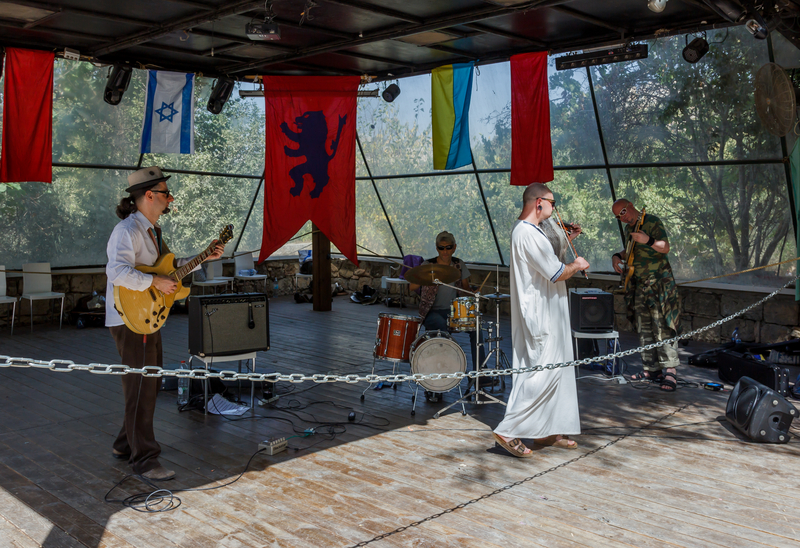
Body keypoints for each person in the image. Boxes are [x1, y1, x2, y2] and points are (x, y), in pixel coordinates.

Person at [105, 166, 225, 480]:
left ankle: (124, 443)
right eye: (164, 193)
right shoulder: (127, 231)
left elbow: (171, 270)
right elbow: (116, 273)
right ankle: (144, 460)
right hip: (129, 318)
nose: (170, 198)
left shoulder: (154, 231)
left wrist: (204, 257)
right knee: (141, 385)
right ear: (148, 196)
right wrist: (153, 282)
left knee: (150, 382)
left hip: (147, 317)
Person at [492, 183, 588, 458]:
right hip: (541, 315)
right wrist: (578, 265)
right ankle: (508, 429)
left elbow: (548, 260)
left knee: (558, 372)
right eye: (552, 202)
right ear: (538, 203)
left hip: (550, 311)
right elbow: (556, 272)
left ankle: (545, 431)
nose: (555, 208)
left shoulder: (533, 232)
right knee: (541, 373)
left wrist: (565, 238)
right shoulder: (526, 233)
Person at [611, 199, 681, 392]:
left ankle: (670, 371)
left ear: (632, 205)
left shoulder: (652, 222)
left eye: (624, 211)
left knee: (663, 326)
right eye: (619, 216)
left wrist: (648, 240)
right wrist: (617, 256)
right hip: (639, 285)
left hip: (659, 284)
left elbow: (665, 247)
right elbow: (631, 251)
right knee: (644, 328)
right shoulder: (628, 230)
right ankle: (651, 369)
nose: (623, 217)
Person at [408, 231, 483, 401]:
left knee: (476, 329)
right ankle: (442, 377)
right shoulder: (428, 264)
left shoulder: (458, 264)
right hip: (431, 312)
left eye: (448, 247)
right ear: (437, 248)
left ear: (454, 247)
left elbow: (466, 289)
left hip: (453, 312)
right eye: (441, 248)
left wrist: (474, 293)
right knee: (441, 329)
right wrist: (423, 276)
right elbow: (411, 286)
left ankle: (480, 374)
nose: (445, 251)